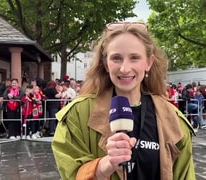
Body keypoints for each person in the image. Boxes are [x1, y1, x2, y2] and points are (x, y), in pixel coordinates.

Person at [52, 22, 195, 180]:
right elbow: (70, 173)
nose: (125, 68)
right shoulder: (77, 115)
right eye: (116, 58)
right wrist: (103, 166)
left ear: (149, 62)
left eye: (134, 58)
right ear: (106, 64)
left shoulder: (174, 121)